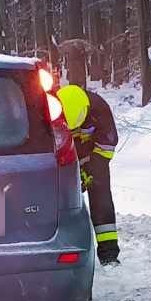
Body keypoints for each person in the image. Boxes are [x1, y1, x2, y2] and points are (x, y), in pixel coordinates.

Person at [56, 84, 121, 264]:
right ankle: (64, 248)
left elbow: (106, 148)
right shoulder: (52, 107)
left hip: (94, 157)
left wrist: (90, 172)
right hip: (64, 160)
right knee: (62, 202)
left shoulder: (100, 110)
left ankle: (109, 254)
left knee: (101, 198)